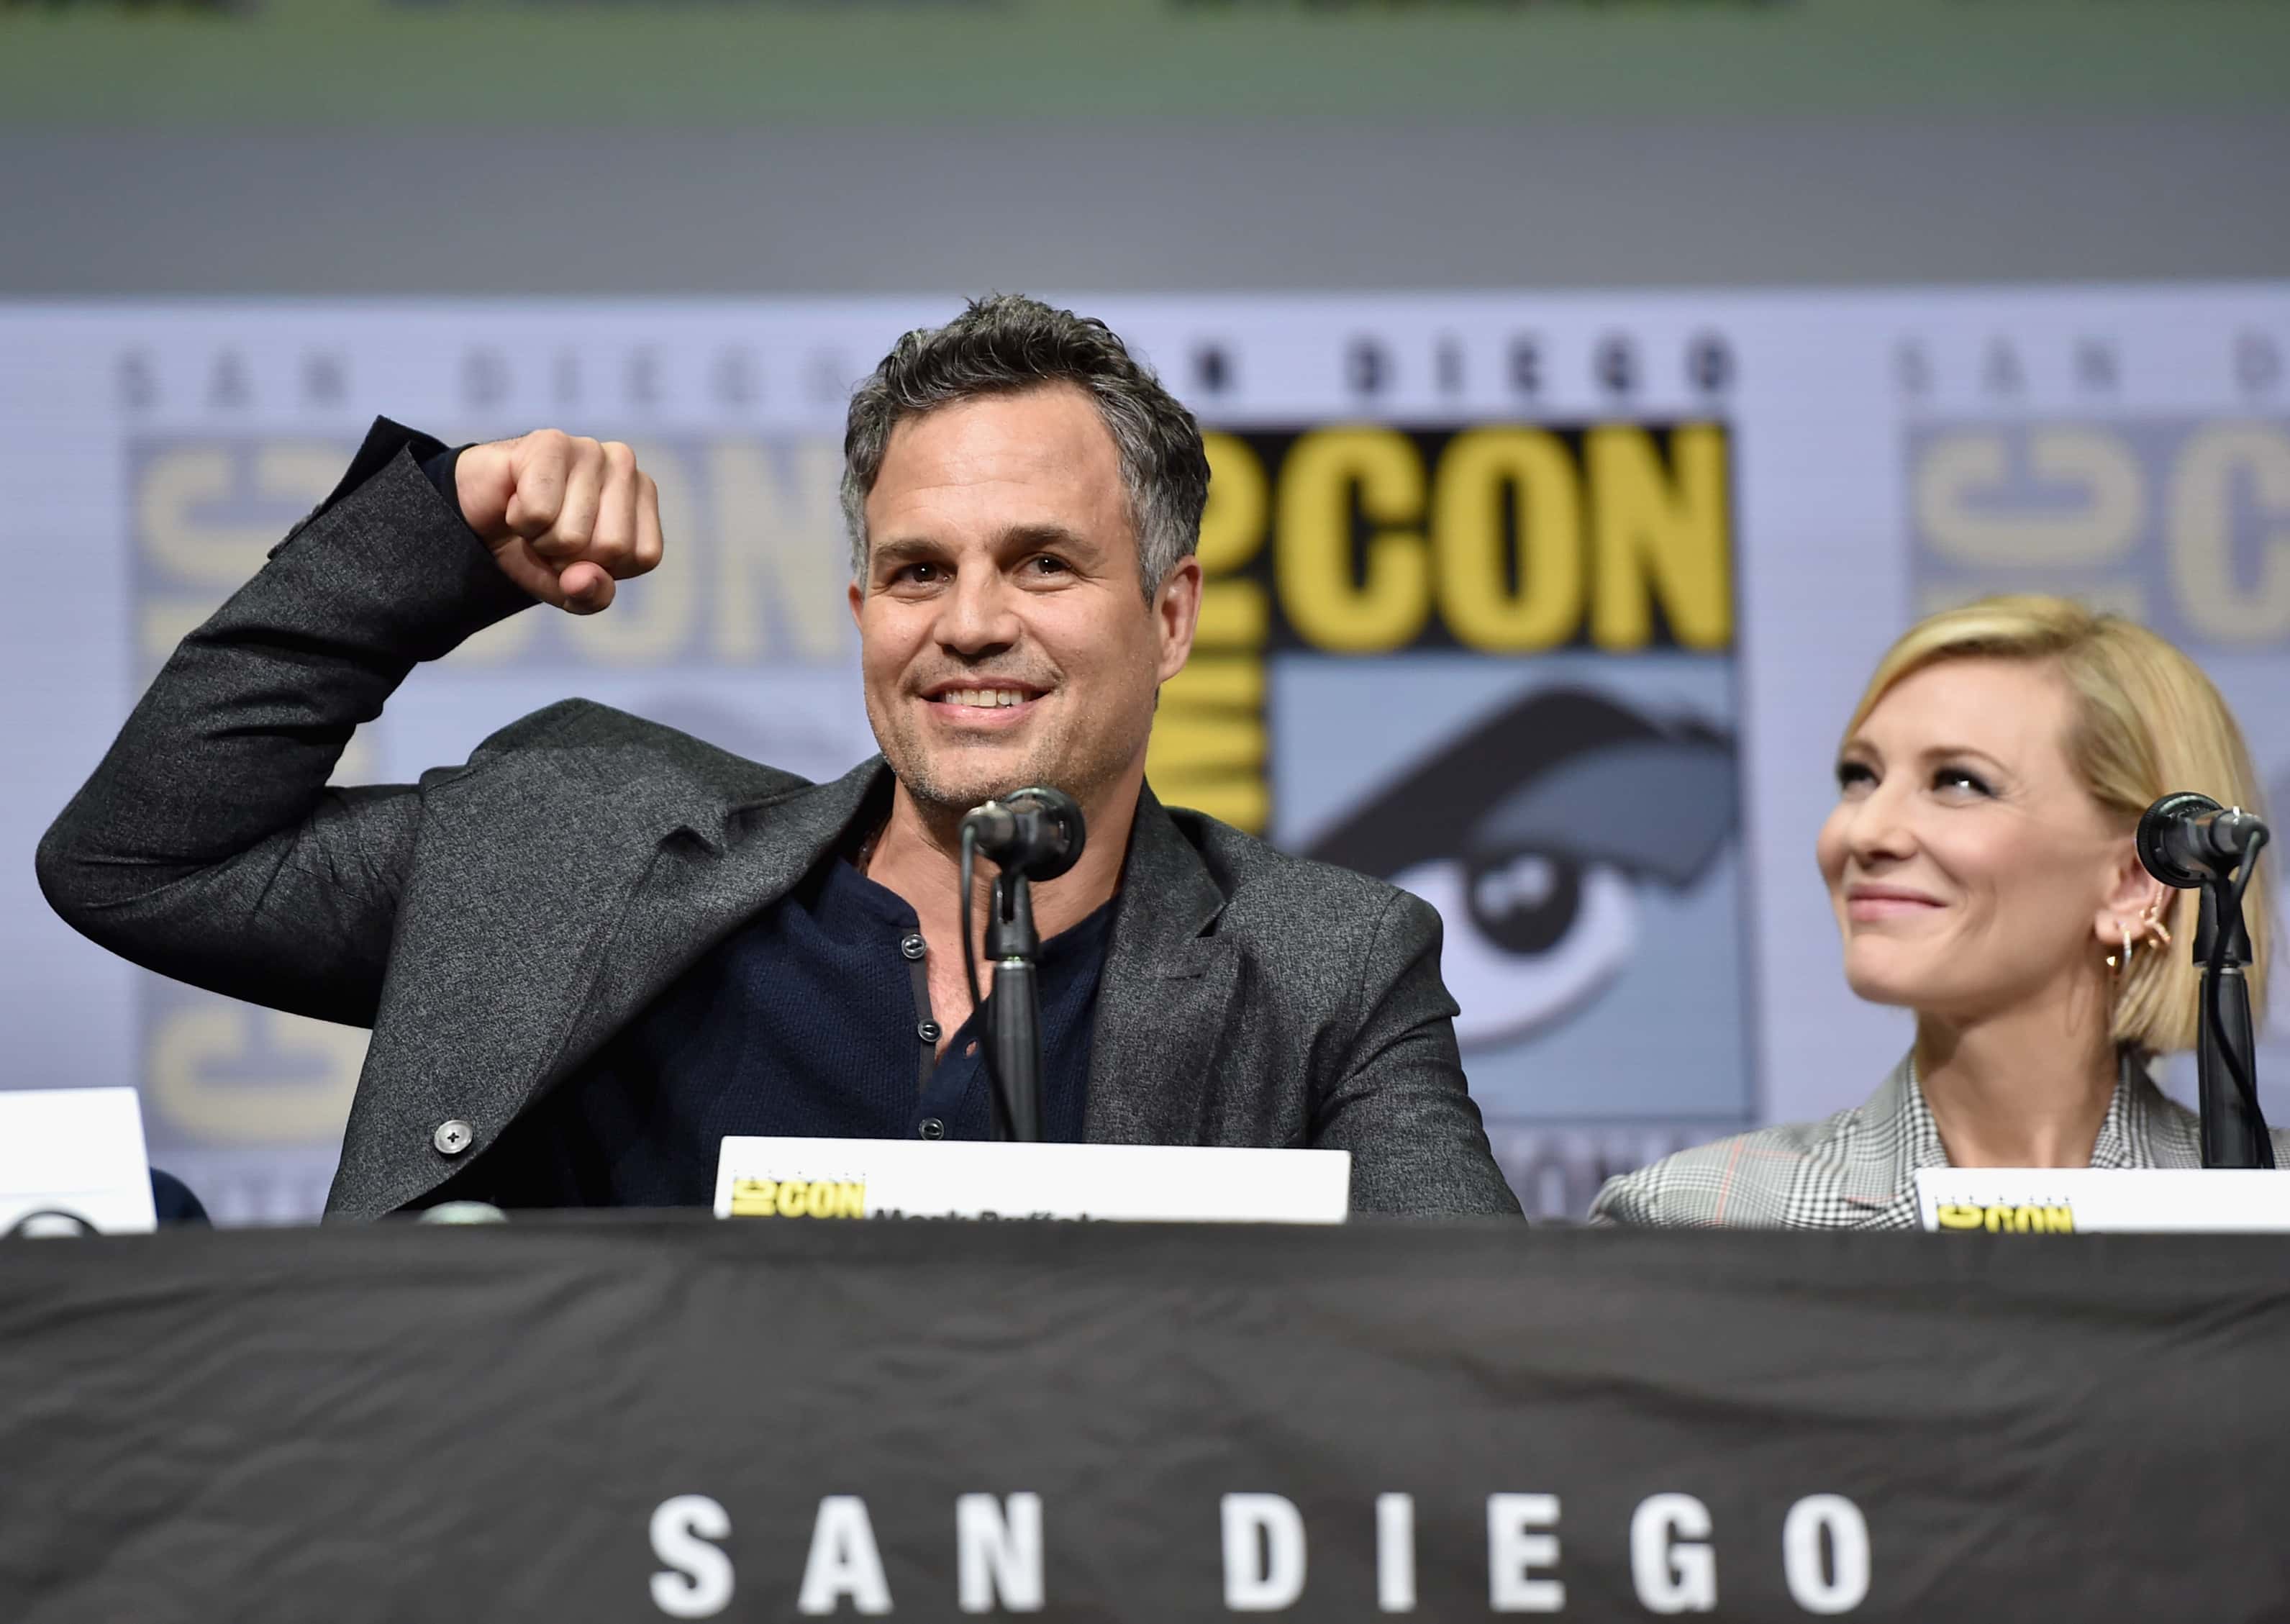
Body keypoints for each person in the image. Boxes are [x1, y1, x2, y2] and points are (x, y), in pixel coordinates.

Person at [39, 296, 1520, 1221]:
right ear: (865, 612)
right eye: (920, 571)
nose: (973, 624)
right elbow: (146, 858)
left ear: (1170, 613)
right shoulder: (567, 846)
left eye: (1045, 564)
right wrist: (432, 545)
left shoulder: (1325, 970)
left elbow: (1463, 1358)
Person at [1592, 595, 2286, 1228]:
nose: (1865, 833)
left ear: (2134, 882)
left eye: (1959, 782)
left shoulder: (2262, 1211)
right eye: (1859, 777)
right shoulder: (1699, 1221)